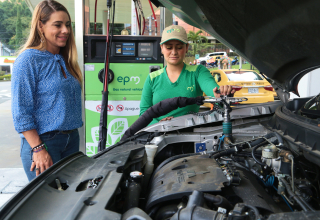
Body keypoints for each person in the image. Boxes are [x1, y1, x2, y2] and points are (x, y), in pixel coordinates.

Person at [11, 0, 82, 181]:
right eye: (57, 25)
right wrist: (38, 148)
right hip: (44, 143)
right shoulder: (28, 60)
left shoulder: (64, 59)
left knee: (69, 201)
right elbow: (21, 112)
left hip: (71, 140)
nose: (65, 30)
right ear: (41, 26)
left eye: (67, 25)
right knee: (50, 205)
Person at [139, 25, 235, 125]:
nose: (174, 52)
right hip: (157, 136)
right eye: (169, 47)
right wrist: (158, 125)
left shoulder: (198, 72)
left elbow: (211, 88)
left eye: (179, 47)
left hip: (190, 135)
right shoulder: (152, 78)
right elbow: (143, 113)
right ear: (161, 48)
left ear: (187, 48)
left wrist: (220, 94)